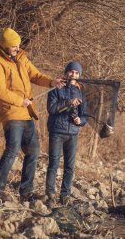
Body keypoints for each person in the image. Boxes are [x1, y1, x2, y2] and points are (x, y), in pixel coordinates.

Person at [0, 28, 64, 202]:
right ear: (4, 46)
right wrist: (19, 101)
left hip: (26, 113)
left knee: (34, 150)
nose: (17, 48)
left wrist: (51, 81)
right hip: (11, 112)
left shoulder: (21, 57)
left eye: (18, 45)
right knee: (12, 149)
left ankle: (26, 192)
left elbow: (35, 75)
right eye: (14, 46)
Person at [45, 61, 88, 207]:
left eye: (76, 73)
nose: (73, 75)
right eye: (71, 71)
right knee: (54, 163)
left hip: (73, 134)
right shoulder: (56, 88)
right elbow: (51, 108)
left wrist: (79, 120)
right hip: (57, 131)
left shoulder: (81, 91)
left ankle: (65, 195)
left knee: (69, 166)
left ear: (79, 75)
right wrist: (69, 102)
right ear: (65, 73)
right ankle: (50, 195)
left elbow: (85, 115)